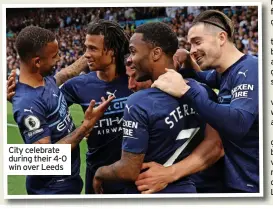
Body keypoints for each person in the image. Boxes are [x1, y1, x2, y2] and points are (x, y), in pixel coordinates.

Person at [92, 22, 223, 194]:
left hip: (148, 192)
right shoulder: (202, 91)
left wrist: (100, 173)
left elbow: (129, 170)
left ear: (156, 53)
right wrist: (172, 173)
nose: (130, 59)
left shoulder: (138, 102)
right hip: (186, 192)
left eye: (133, 51)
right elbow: (216, 146)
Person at [152, 10, 259, 193]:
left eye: (197, 42)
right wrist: (185, 58)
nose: (193, 50)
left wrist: (187, 92)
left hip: (254, 185)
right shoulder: (224, 73)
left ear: (221, 37)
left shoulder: (251, 69)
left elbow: (238, 123)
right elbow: (198, 75)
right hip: (235, 182)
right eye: (190, 44)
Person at [11, 26, 114, 194]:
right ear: (37, 62)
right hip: (52, 189)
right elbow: (47, 158)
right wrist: (86, 126)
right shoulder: (28, 105)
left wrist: (89, 54)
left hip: (68, 180)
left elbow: (67, 73)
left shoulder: (44, 80)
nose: (59, 59)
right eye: (54, 56)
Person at [59, 19, 133, 194]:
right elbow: (45, 102)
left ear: (112, 51)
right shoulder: (77, 85)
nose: (86, 55)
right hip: (95, 174)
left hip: (131, 174)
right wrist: (67, 73)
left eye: (92, 48)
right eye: (86, 48)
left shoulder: (135, 80)